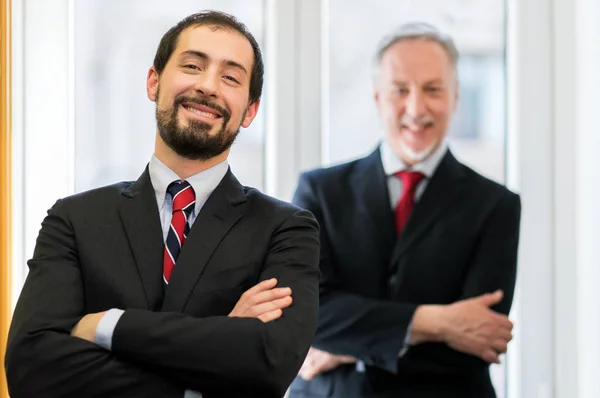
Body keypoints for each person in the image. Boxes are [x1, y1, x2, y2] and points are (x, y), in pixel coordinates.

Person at [5, 10, 320, 398]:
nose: (208, 86)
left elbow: (269, 362)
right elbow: (32, 367)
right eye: (192, 66)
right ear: (154, 81)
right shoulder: (74, 219)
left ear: (250, 110)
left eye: (231, 77)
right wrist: (216, 351)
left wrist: (107, 325)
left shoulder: (285, 229)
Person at [289, 22, 520, 398]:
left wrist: (345, 349)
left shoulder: (496, 205)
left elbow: (480, 342)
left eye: (432, 89)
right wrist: (437, 322)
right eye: (400, 90)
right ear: (378, 97)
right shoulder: (320, 192)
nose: (416, 108)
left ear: (456, 97)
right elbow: (304, 317)